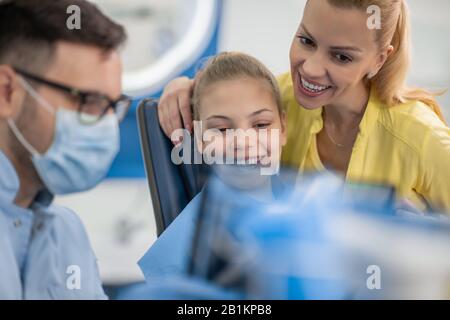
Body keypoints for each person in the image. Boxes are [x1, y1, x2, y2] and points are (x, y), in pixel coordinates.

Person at [156, 0, 450, 213]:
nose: (310, 69)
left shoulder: (421, 138)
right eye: (306, 41)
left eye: (341, 57)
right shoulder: (281, 97)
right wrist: (183, 84)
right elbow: (227, 90)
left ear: (379, 60)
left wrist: (416, 239)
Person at [0, 0, 130, 299]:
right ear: (7, 92)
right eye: (87, 101)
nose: (105, 123)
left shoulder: (67, 233)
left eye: (112, 105)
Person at [139, 52, 287, 282]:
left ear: (284, 129)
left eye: (260, 124)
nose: (243, 141)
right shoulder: (187, 240)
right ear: (200, 140)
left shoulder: (307, 204)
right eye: (222, 129)